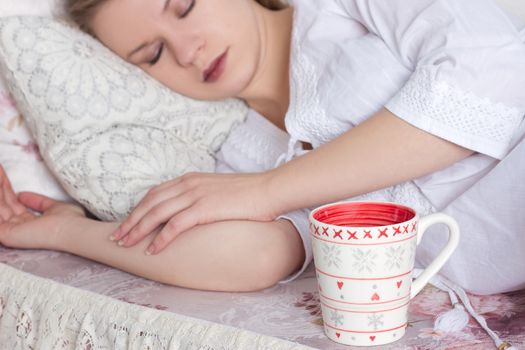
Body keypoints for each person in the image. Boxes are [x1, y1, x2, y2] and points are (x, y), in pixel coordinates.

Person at [1, 0, 524, 295]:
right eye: (153, 54)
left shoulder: (338, 10)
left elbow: (496, 73)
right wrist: (66, 230)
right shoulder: (242, 151)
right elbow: (248, 257)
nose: (187, 52)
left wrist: (270, 191)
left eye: (184, 7)